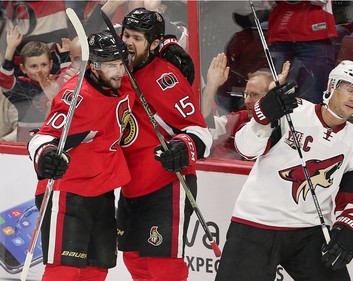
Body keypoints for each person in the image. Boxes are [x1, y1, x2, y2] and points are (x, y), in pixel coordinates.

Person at [215, 60, 353, 281]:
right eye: (349, 89)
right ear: (331, 87)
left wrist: (348, 228)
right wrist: (264, 118)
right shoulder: (293, 110)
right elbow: (247, 150)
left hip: (309, 231)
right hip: (257, 222)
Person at [27, 30, 135, 281]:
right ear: (94, 66)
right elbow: (43, 137)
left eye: (121, 64)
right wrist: (46, 155)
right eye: (111, 65)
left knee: (96, 270)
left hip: (103, 191)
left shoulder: (122, 83)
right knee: (65, 271)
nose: (119, 71)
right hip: (67, 192)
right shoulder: (77, 95)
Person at [116, 7, 212, 281]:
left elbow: (199, 131)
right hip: (131, 185)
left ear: (154, 44)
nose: (127, 43)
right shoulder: (118, 72)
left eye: (136, 37)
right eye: (126, 35)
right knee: (133, 260)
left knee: (163, 267)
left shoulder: (165, 78)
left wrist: (182, 146)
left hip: (166, 185)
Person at [202, 52, 289, 160]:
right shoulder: (238, 119)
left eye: (255, 95)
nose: (247, 101)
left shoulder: (288, 125)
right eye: (246, 94)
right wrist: (212, 85)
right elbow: (205, 126)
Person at [0, 25, 68, 142]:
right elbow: (4, 80)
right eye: (33, 66)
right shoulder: (21, 86)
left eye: (43, 65)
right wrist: (10, 48)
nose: (39, 70)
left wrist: (66, 57)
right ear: (23, 68)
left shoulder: (56, 82)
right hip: (25, 145)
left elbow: (70, 82)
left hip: (54, 141)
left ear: (51, 64)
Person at [267, 0, 338, 104]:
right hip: (280, 34)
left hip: (315, 36)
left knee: (312, 99)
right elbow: (262, 4)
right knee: (273, 96)